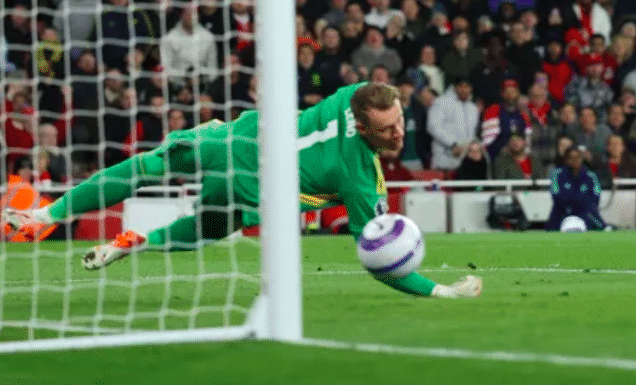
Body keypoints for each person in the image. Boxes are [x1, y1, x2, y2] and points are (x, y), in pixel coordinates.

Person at [5, 83, 482, 298]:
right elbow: (378, 259)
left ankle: (49, 214)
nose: (398, 133)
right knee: (215, 224)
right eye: (387, 129)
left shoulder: (355, 93)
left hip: (234, 137)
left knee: (148, 167)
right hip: (254, 184)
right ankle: (140, 241)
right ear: (361, 126)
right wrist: (439, 290)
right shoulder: (360, 178)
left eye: (399, 122)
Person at [545, 146, 608, 231]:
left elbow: (595, 198)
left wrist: (575, 201)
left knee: (591, 213)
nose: (575, 160)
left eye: (578, 157)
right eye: (572, 158)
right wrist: (579, 200)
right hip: (562, 213)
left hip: (585, 213)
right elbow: (557, 196)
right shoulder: (557, 174)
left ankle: (603, 227)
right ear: (566, 160)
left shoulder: (591, 176)